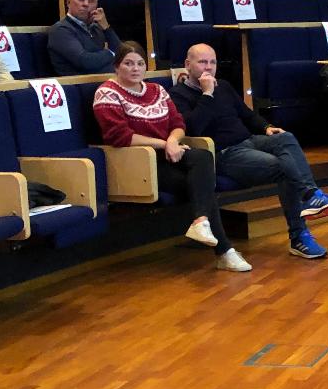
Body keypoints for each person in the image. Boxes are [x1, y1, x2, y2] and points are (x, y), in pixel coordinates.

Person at [170, 43, 328, 260]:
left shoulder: (222, 85)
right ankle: (300, 234)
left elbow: (246, 114)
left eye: (212, 62)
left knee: (285, 137)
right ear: (188, 64)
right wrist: (207, 94)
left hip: (250, 140)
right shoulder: (178, 95)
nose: (209, 67)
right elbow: (193, 128)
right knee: (283, 167)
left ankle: (312, 195)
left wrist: (265, 127)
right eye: (202, 62)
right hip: (225, 153)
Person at [93, 42, 251, 272]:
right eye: (128, 63)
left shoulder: (157, 90)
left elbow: (178, 123)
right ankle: (224, 250)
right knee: (198, 185)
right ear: (117, 66)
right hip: (139, 162)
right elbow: (119, 136)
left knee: (203, 156)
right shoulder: (107, 93)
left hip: (171, 151)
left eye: (139, 63)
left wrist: (173, 141)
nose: (135, 69)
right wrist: (165, 144)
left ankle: (201, 223)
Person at [47, 0, 121, 75]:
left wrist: (106, 28)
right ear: (68, 2)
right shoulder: (60, 30)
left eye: (91, 1)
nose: (86, 4)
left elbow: (121, 52)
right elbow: (85, 61)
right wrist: (111, 53)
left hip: (105, 80)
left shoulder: (96, 27)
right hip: (81, 85)